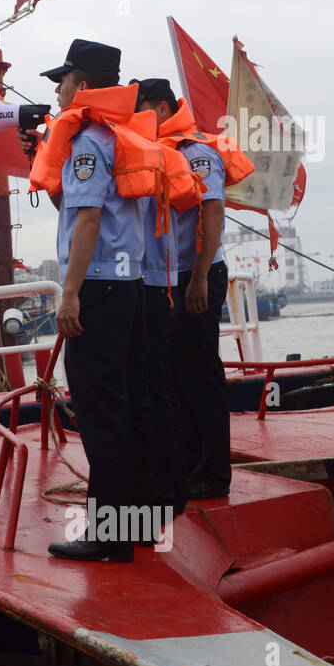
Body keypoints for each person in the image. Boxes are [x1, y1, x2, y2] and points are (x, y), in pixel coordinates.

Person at [26, 39, 157, 561]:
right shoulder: (119, 136)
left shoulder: (86, 144)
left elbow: (88, 220)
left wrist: (70, 293)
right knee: (131, 407)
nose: (56, 91)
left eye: (61, 81)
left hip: (98, 289)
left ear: (81, 85)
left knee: (101, 414)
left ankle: (109, 537)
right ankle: (139, 524)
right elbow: (84, 206)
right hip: (130, 288)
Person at [153, 88, 254, 500]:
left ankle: (213, 474)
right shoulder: (157, 150)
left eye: (139, 108)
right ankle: (190, 464)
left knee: (200, 374)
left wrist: (197, 278)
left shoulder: (197, 153)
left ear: (160, 107)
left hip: (194, 275)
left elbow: (212, 211)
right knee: (176, 375)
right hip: (167, 279)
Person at [130, 78, 199, 516]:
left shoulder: (157, 155)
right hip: (156, 281)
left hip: (154, 284)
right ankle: (171, 489)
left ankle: (164, 494)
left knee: (154, 389)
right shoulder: (161, 155)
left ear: (157, 108)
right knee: (162, 387)